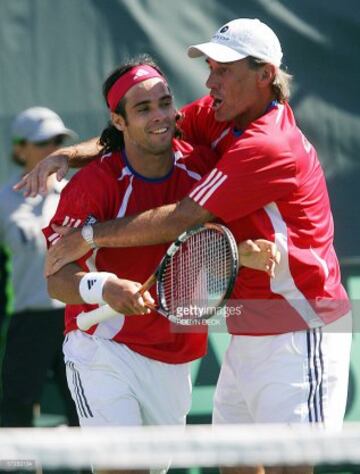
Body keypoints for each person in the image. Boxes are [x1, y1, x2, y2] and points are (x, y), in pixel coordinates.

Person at [17, 20, 351, 474]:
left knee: (290, 467)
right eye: (210, 68)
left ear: (264, 74)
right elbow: (142, 129)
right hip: (246, 326)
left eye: (224, 70)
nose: (210, 81)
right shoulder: (215, 115)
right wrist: (67, 155)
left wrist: (89, 236)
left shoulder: (270, 145)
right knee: (232, 465)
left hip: (300, 326)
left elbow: (182, 218)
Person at [43, 56, 277, 474]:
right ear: (118, 122)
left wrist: (243, 252)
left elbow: (209, 242)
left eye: (165, 103)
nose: (160, 116)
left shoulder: (203, 168)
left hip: (175, 355)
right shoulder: (92, 186)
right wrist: (105, 288)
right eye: (143, 108)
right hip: (102, 348)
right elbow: (56, 278)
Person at [0, 107, 78, 428]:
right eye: (43, 141)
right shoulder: (4, 201)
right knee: (18, 409)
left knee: (85, 405)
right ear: (20, 148)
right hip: (24, 320)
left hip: (75, 315)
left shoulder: (76, 192)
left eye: (58, 141)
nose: (52, 150)